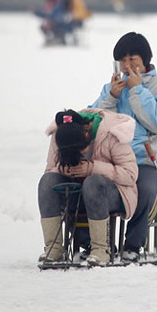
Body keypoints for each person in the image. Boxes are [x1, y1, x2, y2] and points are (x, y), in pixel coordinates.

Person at [90, 32, 157, 262]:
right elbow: (90, 122)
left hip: (145, 161)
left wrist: (138, 91)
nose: (127, 66)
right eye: (122, 60)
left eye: (133, 60)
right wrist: (110, 98)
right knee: (90, 183)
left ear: (145, 60)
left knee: (146, 188)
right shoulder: (111, 89)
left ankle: (133, 245)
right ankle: (97, 245)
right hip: (113, 161)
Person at [37, 108, 138, 267]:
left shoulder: (111, 133)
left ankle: (101, 250)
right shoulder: (61, 133)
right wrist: (64, 169)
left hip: (111, 193)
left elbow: (130, 174)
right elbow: (51, 169)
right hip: (76, 192)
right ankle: (54, 248)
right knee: (47, 181)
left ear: (86, 135)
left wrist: (92, 168)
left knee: (93, 182)